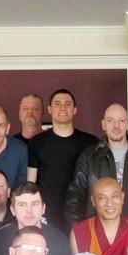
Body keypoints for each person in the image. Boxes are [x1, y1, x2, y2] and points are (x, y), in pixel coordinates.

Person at [65, 103, 128, 226]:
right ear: (103, 124)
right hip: (99, 231)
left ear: (127, 124)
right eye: (110, 121)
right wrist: (78, 231)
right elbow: (75, 199)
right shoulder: (89, 156)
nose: (116, 126)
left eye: (121, 121)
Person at [26, 89, 98, 232]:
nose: (63, 108)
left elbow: (97, 180)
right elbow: (30, 184)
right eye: (57, 104)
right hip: (48, 214)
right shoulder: (36, 142)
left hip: (82, 213)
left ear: (75, 110)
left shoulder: (90, 142)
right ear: (50, 109)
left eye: (68, 104)